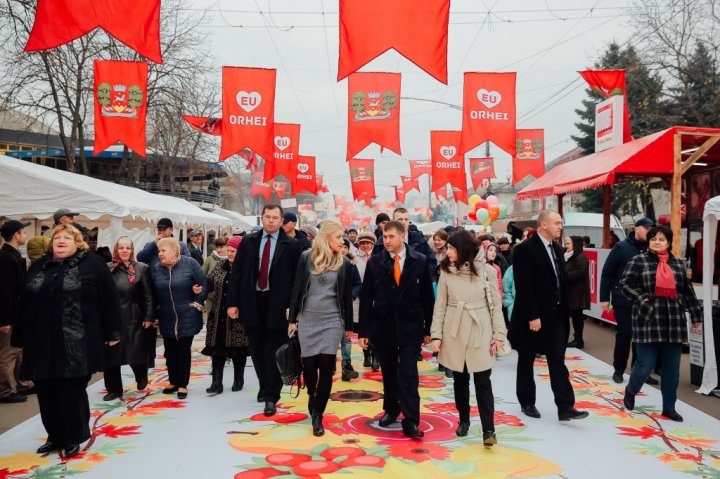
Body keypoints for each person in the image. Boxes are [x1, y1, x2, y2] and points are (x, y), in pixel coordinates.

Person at [21, 225, 121, 457]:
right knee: (45, 390)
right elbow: (25, 301)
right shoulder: (40, 265)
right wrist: (21, 335)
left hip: (77, 341)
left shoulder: (92, 264)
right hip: (42, 341)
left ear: (78, 242)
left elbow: (109, 299)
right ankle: (55, 436)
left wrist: (112, 332)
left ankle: (73, 436)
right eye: (57, 237)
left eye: (67, 237)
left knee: (71, 390)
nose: (61, 241)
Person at [507, 210, 589, 422]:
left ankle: (565, 406)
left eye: (561, 223)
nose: (560, 227)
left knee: (557, 360)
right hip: (532, 316)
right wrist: (532, 315)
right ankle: (527, 402)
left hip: (556, 315)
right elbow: (524, 286)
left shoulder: (558, 250)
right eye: (557, 223)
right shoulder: (525, 250)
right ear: (543, 224)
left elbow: (560, 282)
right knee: (527, 359)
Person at [358, 220, 435, 438]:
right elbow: (366, 298)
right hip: (383, 326)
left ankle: (411, 419)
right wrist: (364, 332)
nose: (386, 240)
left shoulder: (418, 261)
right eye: (384, 236)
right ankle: (391, 409)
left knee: (409, 373)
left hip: (411, 326)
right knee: (389, 371)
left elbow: (427, 298)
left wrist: (429, 328)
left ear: (402, 236)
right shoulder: (375, 262)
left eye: (391, 236)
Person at [431, 230, 507, 446]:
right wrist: (436, 335)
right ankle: (463, 419)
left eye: (452, 248)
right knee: (460, 378)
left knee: (483, 380)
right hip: (454, 329)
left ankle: (488, 429)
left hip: (479, 328)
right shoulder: (446, 271)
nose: (448, 252)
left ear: (463, 248)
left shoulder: (486, 271)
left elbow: (496, 307)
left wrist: (499, 334)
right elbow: (441, 306)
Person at [619, 225, 702, 422]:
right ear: (648, 241)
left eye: (661, 239)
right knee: (645, 365)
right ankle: (631, 391)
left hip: (673, 321)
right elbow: (624, 284)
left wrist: (696, 317)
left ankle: (669, 407)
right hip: (648, 320)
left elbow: (687, 291)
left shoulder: (678, 264)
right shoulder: (638, 260)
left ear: (669, 242)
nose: (657, 242)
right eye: (653, 238)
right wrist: (642, 298)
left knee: (672, 368)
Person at [227, 204, 301, 416]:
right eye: (267, 217)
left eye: (275, 217)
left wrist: (294, 309)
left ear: (281, 221)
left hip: (278, 305)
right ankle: (264, 384)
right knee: (257, 350)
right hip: (252, 302)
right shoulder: (249, 242)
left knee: (273, 350)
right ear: (262, 219)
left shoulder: (292, 246)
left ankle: (271, 396)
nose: (270, 221)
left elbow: (297, 281)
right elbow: (237, 274)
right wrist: (233, 303)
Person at [288, 221, 354, 436]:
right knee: (310, 367)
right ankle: (312, 394)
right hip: (308, 319)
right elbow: (297, 287)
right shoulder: (306, 258)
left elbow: (346, 297)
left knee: (326, 366)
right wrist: (292, 320)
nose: (342, 241)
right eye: (338, 237)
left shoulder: (343, 262)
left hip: (332, 320)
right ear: (326, 238)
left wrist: (349, 326)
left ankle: (318, 414)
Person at [150, 237, 207, 400]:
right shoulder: (156, 269)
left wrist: (196, 303)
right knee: (170, 351)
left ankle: (182, 384)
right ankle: (173, 381)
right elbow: (152, 293)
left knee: (182, 350)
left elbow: (203, 284)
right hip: (166, 316)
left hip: (186, 315)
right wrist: (154, 312)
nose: (160, 254)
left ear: (175, 252)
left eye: (163, 250)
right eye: (159, 251)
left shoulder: (190, 264)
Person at [599, 218, 655, 384]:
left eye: (651, 229)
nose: (649, 231)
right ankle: (619, 369)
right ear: (637, 229)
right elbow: (607, 272)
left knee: (642, 337)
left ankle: (641, 371)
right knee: (625, 334)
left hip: (644, 301)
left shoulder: (651, 249)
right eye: (646, 228)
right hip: (623, 299)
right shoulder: (621, 247)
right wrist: (604, 298)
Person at [103, 237, 154, 401]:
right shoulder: (107, 269)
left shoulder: (141, 269)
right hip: (111, 318)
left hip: (134, 317)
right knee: (111, 357)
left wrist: (148, 316)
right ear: (115, 250)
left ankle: (141, 376)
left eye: (128, 248)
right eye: (121, 248)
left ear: (132, 250)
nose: (124, 251)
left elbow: (148, 296)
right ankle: (114, 389)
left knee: (135, 354)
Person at [202, 235, 249, 395]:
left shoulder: (246, 268)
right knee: (217, 349)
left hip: (238, 317)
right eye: (228, 250)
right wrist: (199, 290)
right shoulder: (220, 266)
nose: (229, 253)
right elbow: (208, 283)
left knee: (238, 349)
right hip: (218, 315)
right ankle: (216, 382)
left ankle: (238, 379)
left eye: (233, 251)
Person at [0, 220, 34, 403]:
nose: (25, 235)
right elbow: (4, 292)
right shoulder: (6, 258)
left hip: (17, 314)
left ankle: (24, 383)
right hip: (9, 315)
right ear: (16, 235)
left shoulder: (12, 255)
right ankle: (5, 391)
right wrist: (4, 320)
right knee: (7, 353)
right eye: (23, 232)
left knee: (19, 350)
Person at [355, 232, 379, 371]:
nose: (365, 245)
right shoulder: (354, 258)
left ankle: (375, 356)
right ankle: (366, 355)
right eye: (363, 243)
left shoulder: (378, 257)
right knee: (364, 327)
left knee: (375, 328)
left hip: (376, 296)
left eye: (368, 243)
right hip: (360, 298)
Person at [339, 238, 362, 381]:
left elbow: (358, 284)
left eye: (345, 247)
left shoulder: (352, 265)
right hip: (330, 306)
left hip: (346, 306)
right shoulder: (328, 262)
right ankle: (329, 364)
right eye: (340, 246)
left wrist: (350, 296)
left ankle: (346, 365)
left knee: (346, 337)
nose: (342, 249)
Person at [565, 236, 591, 349]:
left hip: (578, 293)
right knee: (573, 316)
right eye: (566, 243)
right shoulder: (568, 256)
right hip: (570, 292)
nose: (566, 246)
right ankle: (575, 338)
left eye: (568, 243)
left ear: (575, 244)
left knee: (577, 317)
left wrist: (564, 275)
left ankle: (578, 339)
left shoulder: (581, 257)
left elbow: (580, 273)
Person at [203, 237, 228, 315]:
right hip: (212, 299)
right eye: (217, 247)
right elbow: (202, 276)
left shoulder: (231, 260)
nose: (218, 249)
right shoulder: (210, 259)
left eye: (221, 247)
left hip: (226, 299)